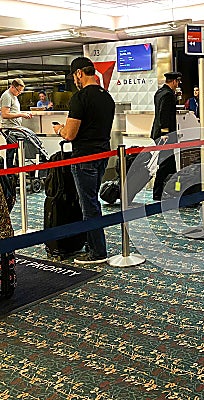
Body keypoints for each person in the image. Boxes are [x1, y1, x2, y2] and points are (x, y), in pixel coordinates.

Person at [53, 57, 115, 265]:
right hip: (102, 156)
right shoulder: (107, 97)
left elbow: (70, 134)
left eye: (74, 76)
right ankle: (92, 243)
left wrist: (59, 129)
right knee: (92, 201)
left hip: (84, 158)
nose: (74, 80)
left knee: (89, 205)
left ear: (79, 73)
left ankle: (97, 252)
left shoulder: (80, 98)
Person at [150, 71, 182, 201]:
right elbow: (163, 113)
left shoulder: (159, 92)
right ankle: (157, 192)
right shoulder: (168, 95)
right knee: (164, 164)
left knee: (170, 164)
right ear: (174, 81)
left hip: (159, 133)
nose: (177, 84)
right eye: (177, 82)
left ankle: (171, 190)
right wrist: (165, 132)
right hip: (165, 135)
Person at [0, 78, 33, 167]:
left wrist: (23, 113)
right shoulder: (7, 96)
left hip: (15, 127)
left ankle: (16, 170)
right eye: (18, 90)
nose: (19, 93)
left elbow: (14, 111)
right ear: (12, 87)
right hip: (9, 128)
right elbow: (5, 114)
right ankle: (10, 174)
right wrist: (21, 115)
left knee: (16, 150)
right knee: (11, 151)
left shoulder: (14, 96)